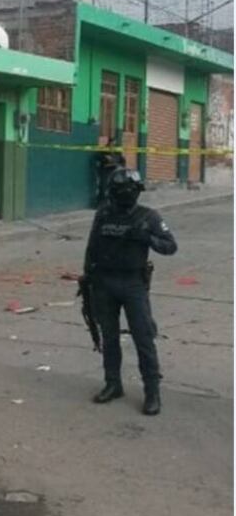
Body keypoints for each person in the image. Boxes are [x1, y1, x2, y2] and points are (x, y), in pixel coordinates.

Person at [83, 168, 177, 415]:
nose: (123, 196)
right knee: (109, 337)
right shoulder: (103, 214)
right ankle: (113, 384)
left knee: (143, 338)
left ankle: (152, 392)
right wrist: (88, 279)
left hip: (133, 284)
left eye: (127, 191)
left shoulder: (148, 217)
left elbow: (170, 246)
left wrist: (147, 238)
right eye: (118, 191)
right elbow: (92, 247)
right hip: (104, 283)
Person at [94, 140, 126, 208]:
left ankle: (112, 203)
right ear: (108, 144)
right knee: (104, 187)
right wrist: (105, 158)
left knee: (114, 187)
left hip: (115, 171)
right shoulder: (104, 151)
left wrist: (120, 166)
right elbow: (98, 156)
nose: (112, 146)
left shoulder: (117, 152)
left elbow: (123, 160)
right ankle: (101, 204)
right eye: (111, 144)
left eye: (114, 145)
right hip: (105, 170)